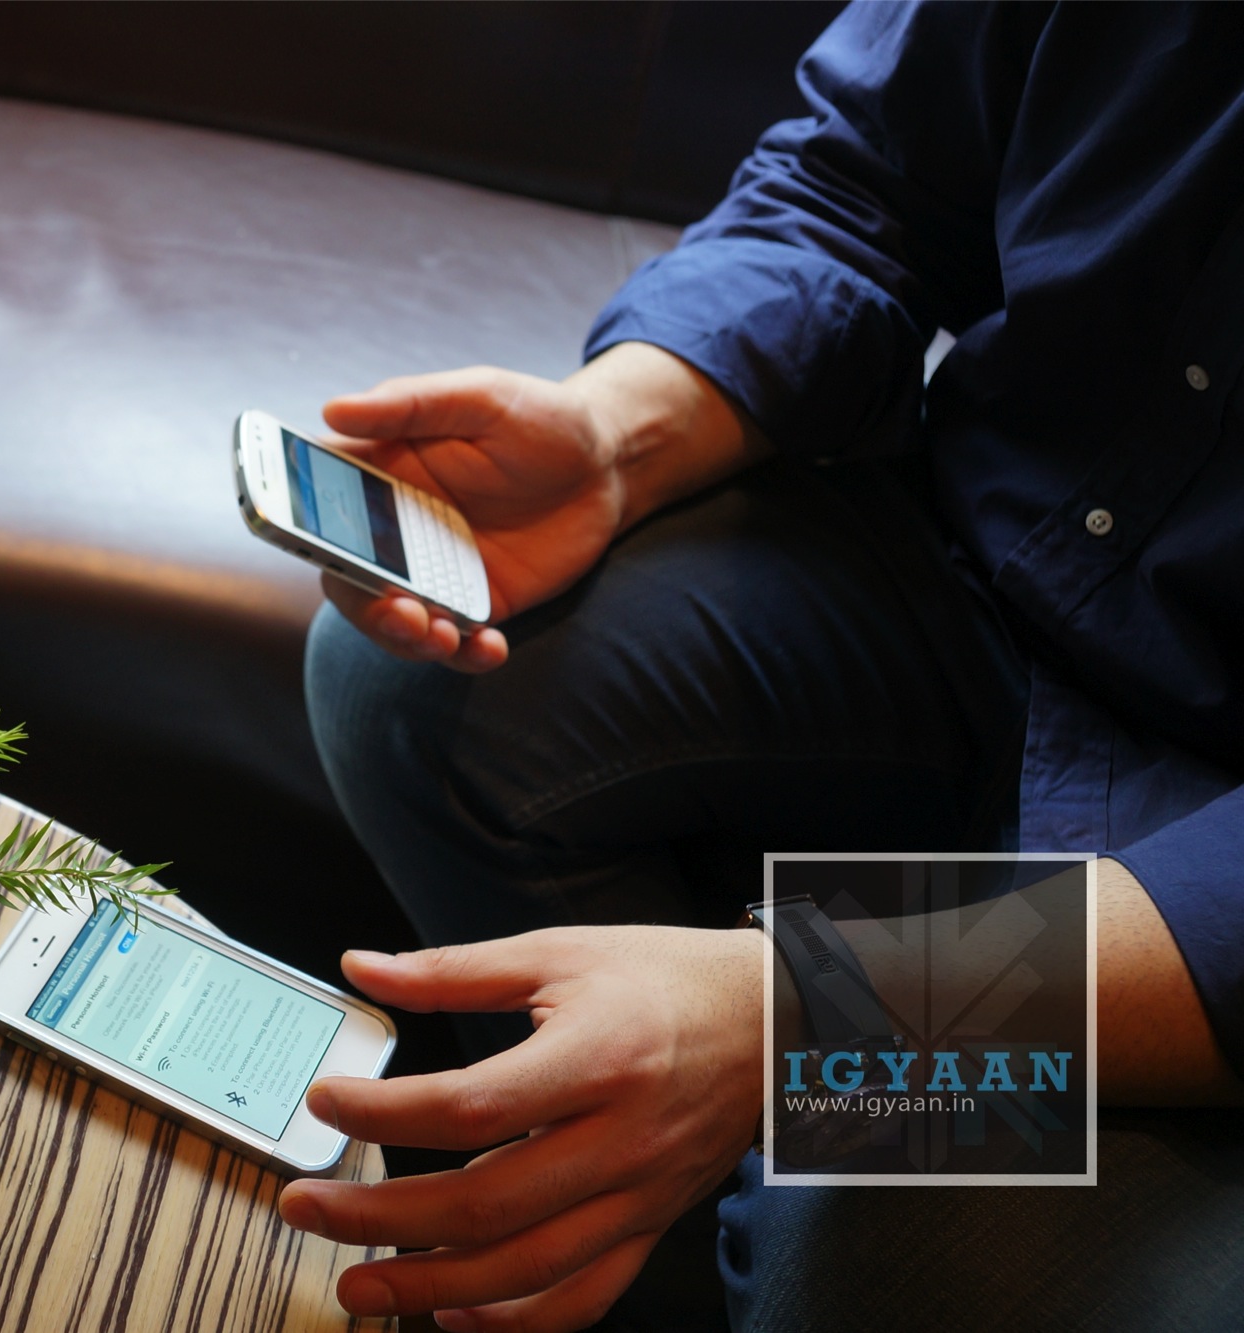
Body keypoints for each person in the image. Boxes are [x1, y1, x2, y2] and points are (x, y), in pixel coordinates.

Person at [275, 4, 1244, 1330]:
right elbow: (869, 179)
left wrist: (798, 1015)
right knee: (410, 686)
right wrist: (615, 435)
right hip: (991, 592)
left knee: (876, 1234)